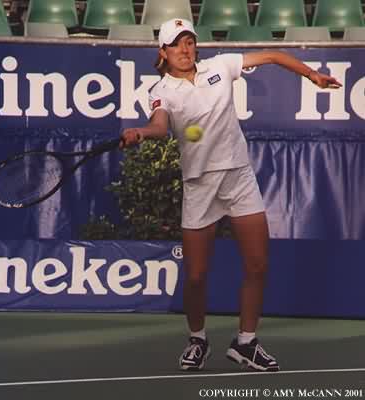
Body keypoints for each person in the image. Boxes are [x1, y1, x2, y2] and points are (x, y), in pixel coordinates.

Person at [121, 18, 341, 372]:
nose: (185, 49)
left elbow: (270, 55)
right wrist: (142, 133)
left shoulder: (219, 66)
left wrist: (311, 75)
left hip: (238, 177)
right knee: (195, 276)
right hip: (200, 184)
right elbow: (161, 125)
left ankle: (246, 342)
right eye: (177, 44)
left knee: (257, 264)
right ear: (162, 52)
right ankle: (198, 339)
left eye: (190, 42)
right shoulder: (161, 91)